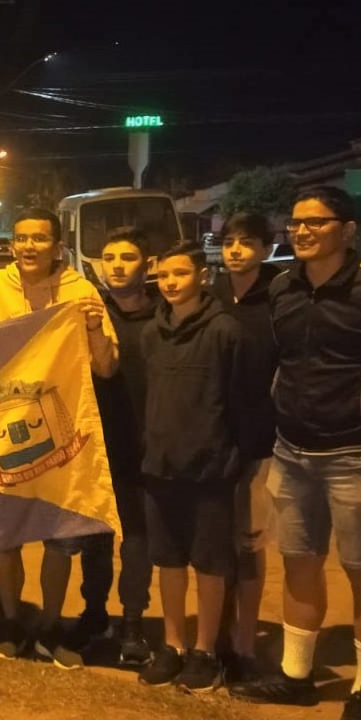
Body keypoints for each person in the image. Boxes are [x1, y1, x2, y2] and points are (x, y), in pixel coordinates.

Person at [231, 186, 361, 720]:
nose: (303, 231)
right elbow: (277, 362)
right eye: (296, 223)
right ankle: (296, 676)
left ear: (348, 229)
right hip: (293, 449)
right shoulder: (284, 289)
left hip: (355, 453)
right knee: (299, 563)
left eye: (317, 222)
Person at [0, 206, 119, 670]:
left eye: (40, 238)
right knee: (5, 534)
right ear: (13, 244)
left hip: (64, 432)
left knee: (60, 536)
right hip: (3, 429)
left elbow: (106, 366)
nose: (29, 246)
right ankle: (13, 625)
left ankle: (50, 626)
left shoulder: (81, 290)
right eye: (22, 238)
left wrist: (91, 326)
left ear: (57, 246)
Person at [132, 242, 245, 693]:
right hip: (160, 467)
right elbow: (147, 399)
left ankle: (205, 650)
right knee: (169, 560)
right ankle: (173, 645)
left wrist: (230, 457)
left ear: (202, 276)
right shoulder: (150, 334)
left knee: (210, 562)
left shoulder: (225, 332)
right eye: (163, 275)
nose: (171, 282)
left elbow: (241, 401)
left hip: (210, 469)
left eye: (180, 273)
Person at [77, 227, 155, 667]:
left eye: (127, 257)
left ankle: (132, 623)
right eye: (109, 258)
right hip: (96, 443)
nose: (117, 265)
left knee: (137, 539)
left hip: (145, 443)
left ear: (147, 264)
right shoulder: (89, 314)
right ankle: (93, 614)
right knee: (95, 537)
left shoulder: (165, 317)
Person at [212, 212, 281, 681]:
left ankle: (245, 642)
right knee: (214, 543)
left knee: (249, 543)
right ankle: (214, 638)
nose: (236, 250)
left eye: (247, 242)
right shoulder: (210, 295)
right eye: (229, 242)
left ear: (267, 247)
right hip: (210, 438)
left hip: (258, 437)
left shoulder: (281, 295)